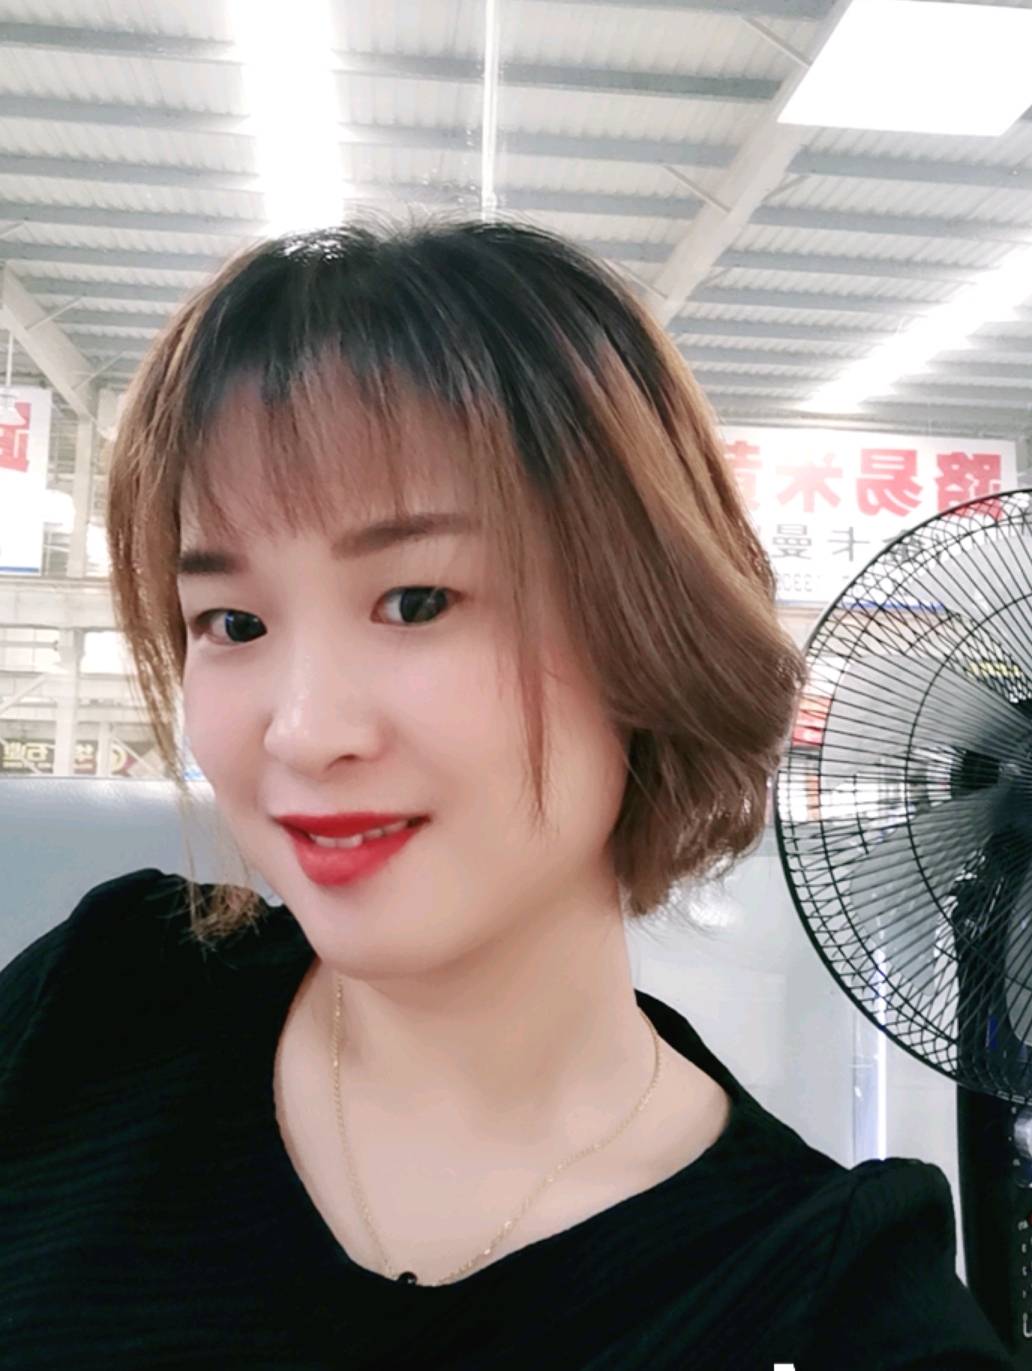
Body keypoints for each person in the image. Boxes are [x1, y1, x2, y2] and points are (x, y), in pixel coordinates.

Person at [0, 216, 1014, 1370]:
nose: (304, 730)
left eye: (418, 602)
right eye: (233, 623)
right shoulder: (97, 1007)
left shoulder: (831, 1306)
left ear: (647, 626)